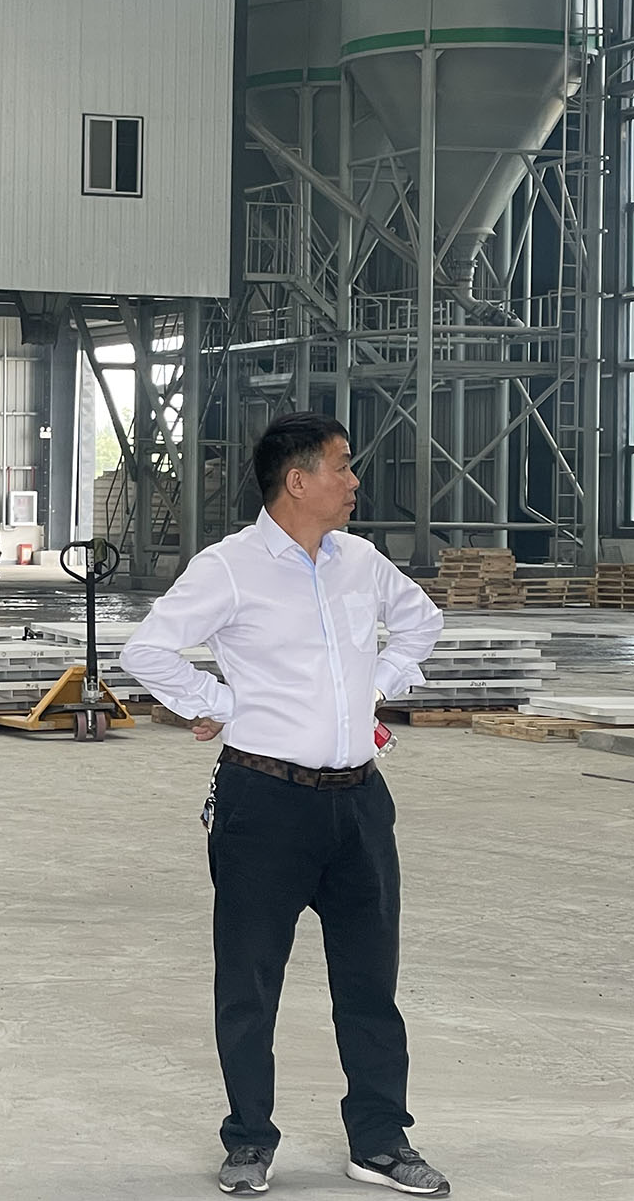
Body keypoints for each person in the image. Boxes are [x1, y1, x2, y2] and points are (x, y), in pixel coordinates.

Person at [119, 412, 448, 1198]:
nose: (355, 481)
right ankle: (248, 1140)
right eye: (343, 465)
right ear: (297, 480)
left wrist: (377, 685)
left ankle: (379, 1140)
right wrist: (223, 704)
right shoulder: (231, 567)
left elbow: (422, 622)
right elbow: (147, 650)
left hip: (359, 804)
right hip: (263, 803)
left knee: (370, 984)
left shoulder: (360, 562)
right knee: (249, 981)